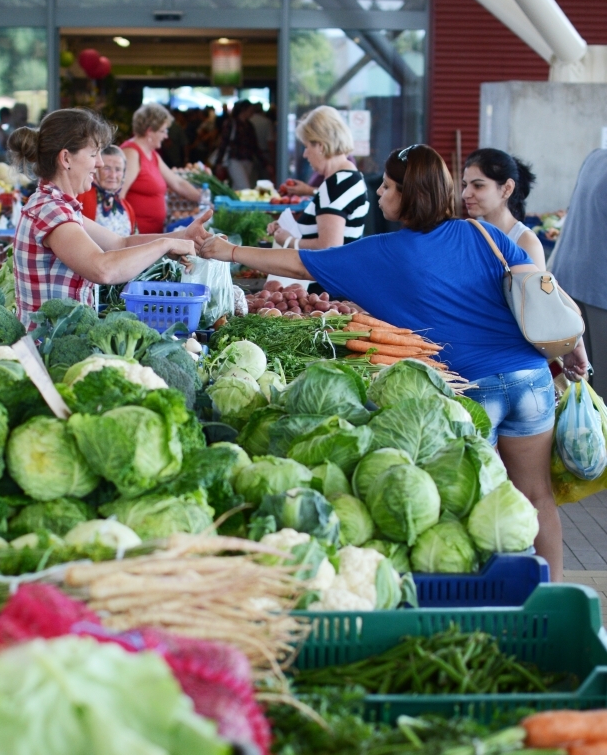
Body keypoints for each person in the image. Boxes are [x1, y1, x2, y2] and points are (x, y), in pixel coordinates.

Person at [201, 143, 590, 581]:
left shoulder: (381, 252)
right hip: (530, 379)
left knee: (482, 505)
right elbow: (542, 287)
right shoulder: (482, 233)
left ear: (409, 195)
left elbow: (298, 263)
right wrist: (573, 344)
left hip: (472, 391)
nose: (379, 194)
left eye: (387, 187)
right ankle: (552, 591)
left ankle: (497, 597)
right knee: (536, 496)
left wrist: (229, 252)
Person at [9, 108, 211, 324]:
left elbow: (120, 243)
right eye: (93, 154)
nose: (100, 163)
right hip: (47, 342)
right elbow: (103, 269)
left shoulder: (57, 205)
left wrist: (182, 236)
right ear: (66, 158)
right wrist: (164, 245)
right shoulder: (51, 211)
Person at [548, 149, 607, 401]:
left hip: (570, 280)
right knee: (598, 387)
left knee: (584, 383)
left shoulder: (596, 158)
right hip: (598, 291)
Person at [268, 106, 369, 250]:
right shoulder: (349, 177)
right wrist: (287, 230)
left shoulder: (336, 184)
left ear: (320, 146)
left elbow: (329, 246)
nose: (305, 154)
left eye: (306, 146)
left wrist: (288, 240)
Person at [120, 103, 205, 234]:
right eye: (163, 131)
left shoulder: (152, 154)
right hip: (137, 235)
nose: (166, 136)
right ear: (149, 131)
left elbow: (177, 183)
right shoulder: (131, 154)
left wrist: (203, 199)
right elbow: (119, 195)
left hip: (152, 234)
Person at [462, 148, 546, 270]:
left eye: (478, 186)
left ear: (507, 188)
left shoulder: (526, 242)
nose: (465, 194)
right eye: (465, 185)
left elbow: (537, 283)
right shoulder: (470, 234)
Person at [214, 99, 271, 190]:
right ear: (244, 110)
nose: (252, 113)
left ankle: (234, 199)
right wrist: (219, 162)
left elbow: (255, 146)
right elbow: (223, 143)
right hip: (234, 159)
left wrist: (265, 163)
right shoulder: (231, 123)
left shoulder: (249, 125)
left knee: (238, 187)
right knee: (244, 186)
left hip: (248, 160)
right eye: (250, 110)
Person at [79, 145, 136, 235]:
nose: (113, 175)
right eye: (107, 168)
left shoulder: (127, 207)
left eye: (118, 169)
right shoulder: (80, 197)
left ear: (124, 173)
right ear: (96, 170)